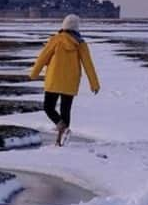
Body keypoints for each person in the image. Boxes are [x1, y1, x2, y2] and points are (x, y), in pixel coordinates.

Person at [29, 14, 100, 146]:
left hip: (54, 79)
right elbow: (88, 64)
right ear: (76, 28)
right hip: (71, 81)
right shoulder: (81, 43)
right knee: (65, 109)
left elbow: (43, 58)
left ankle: (61, 127)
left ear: (64, 25)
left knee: (48, 107)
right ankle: (61, 137)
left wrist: (34, 74)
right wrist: (94, 84)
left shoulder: (55, 40)